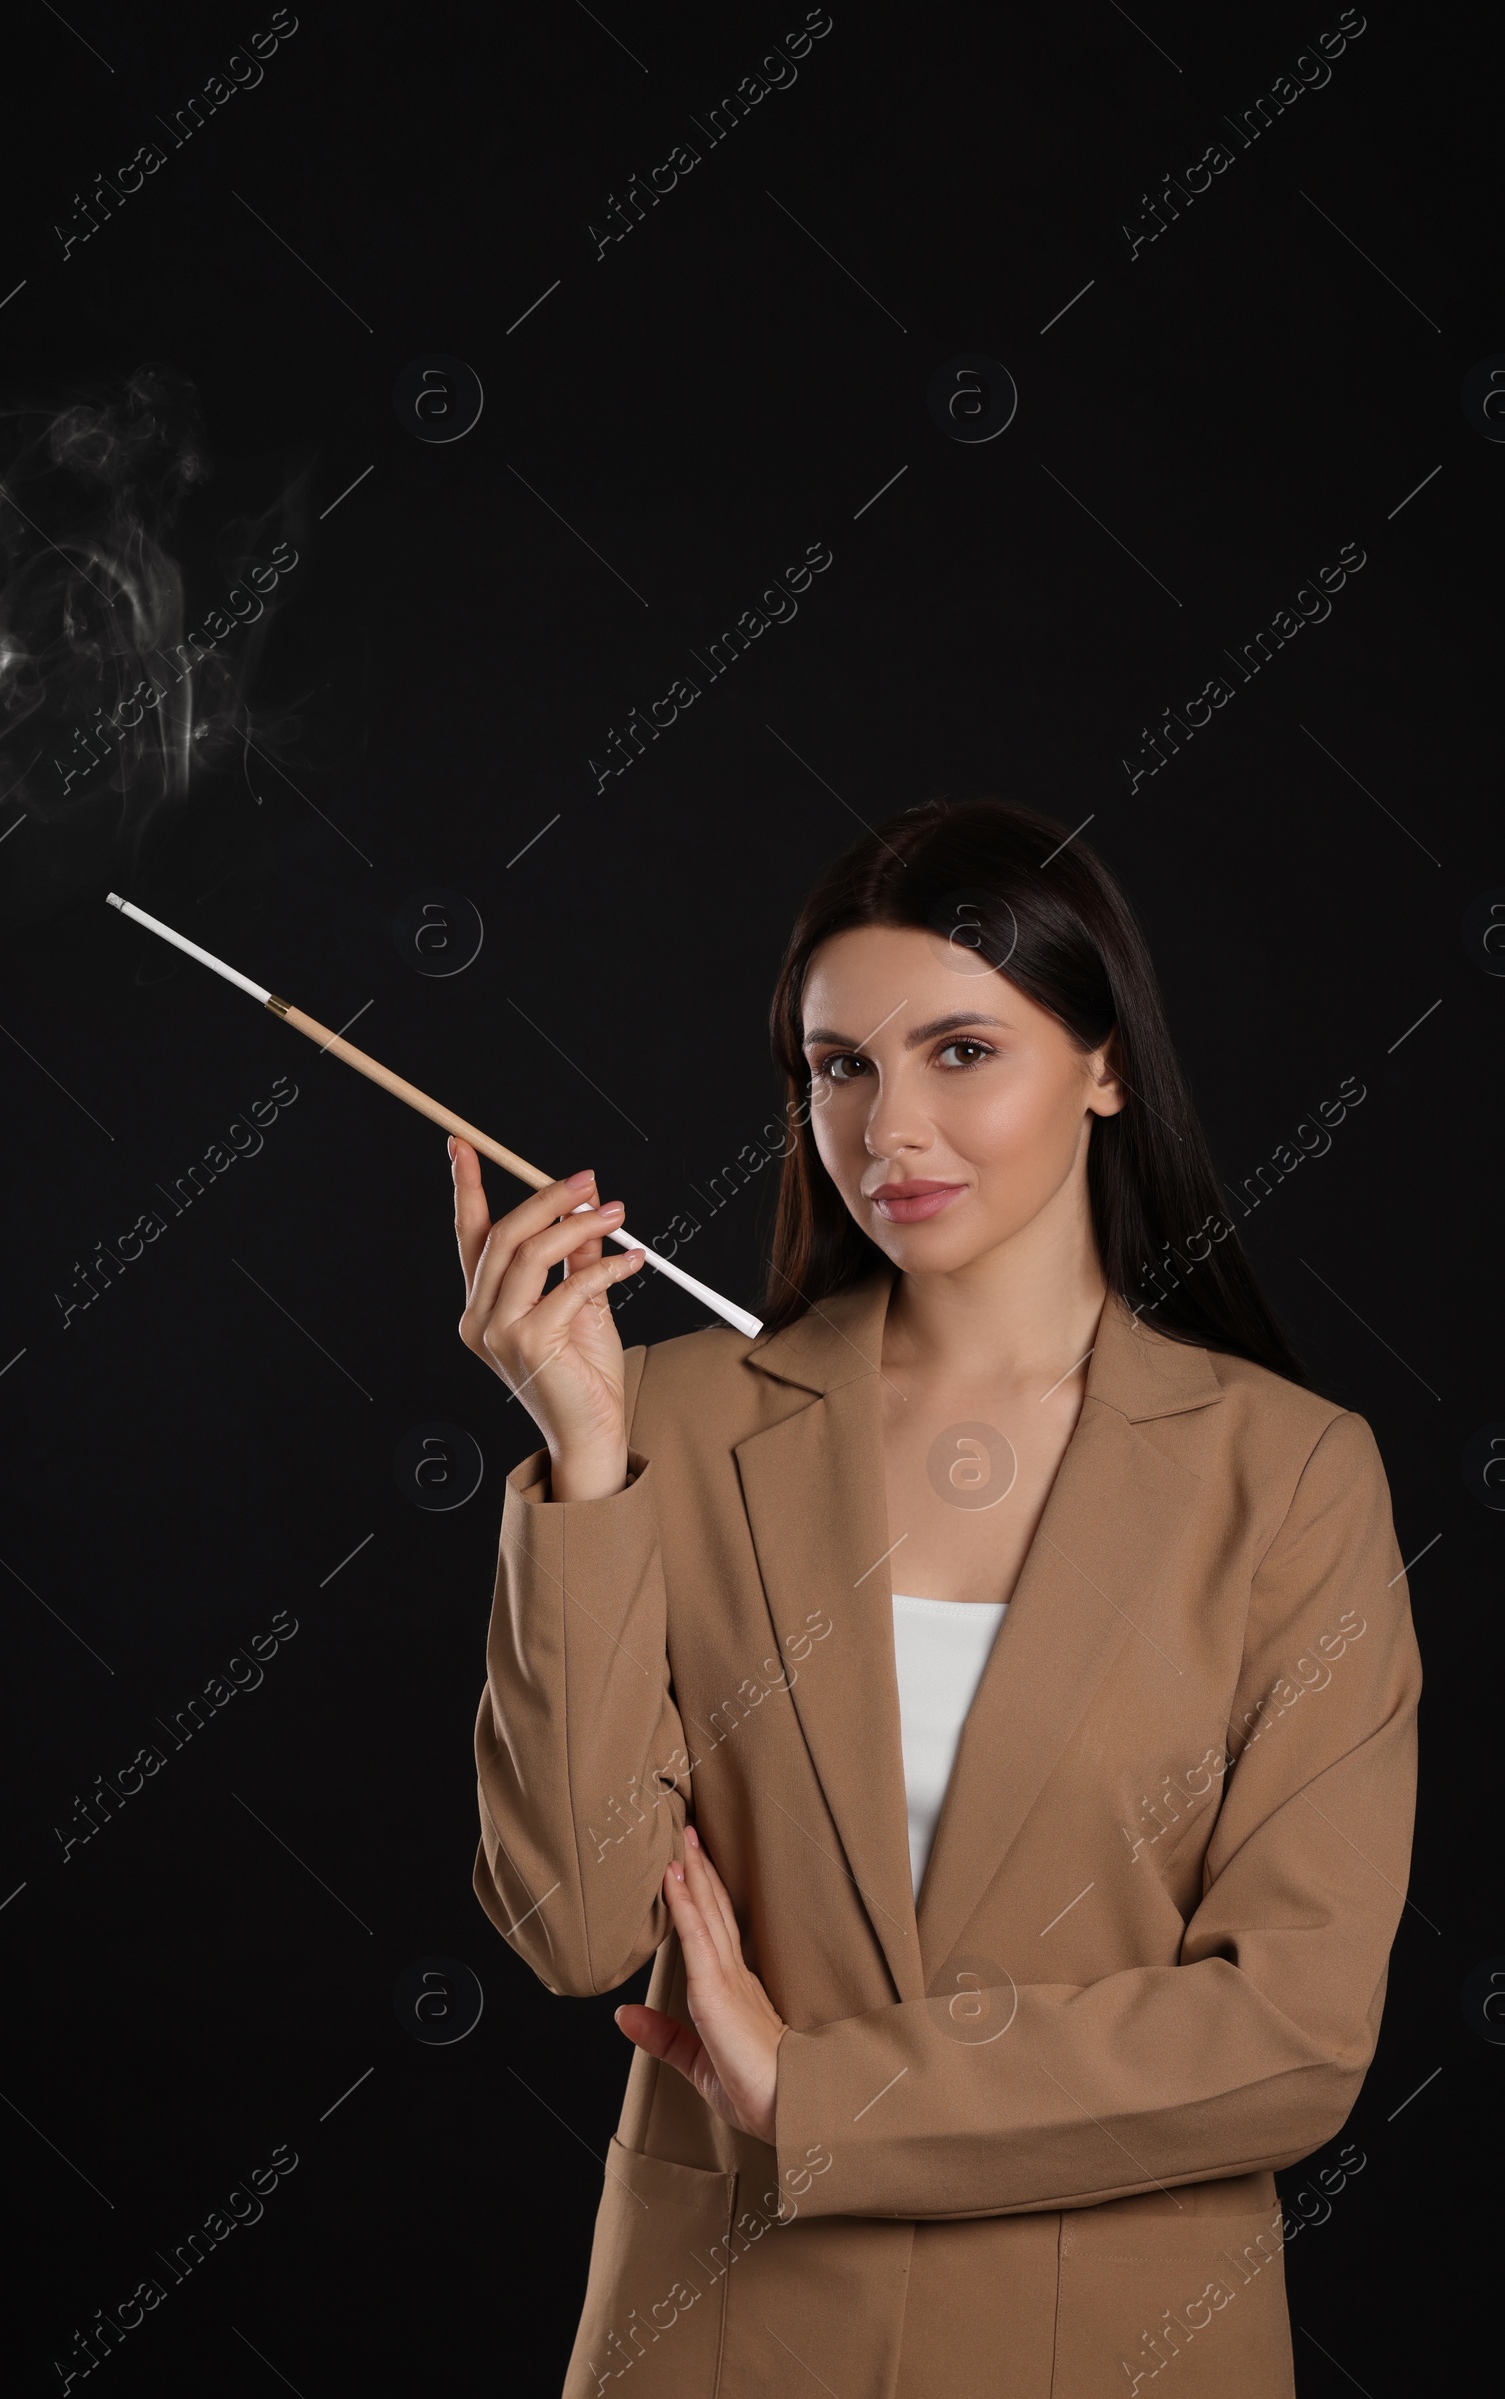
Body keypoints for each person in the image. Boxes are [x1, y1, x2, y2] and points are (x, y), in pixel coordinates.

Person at [455, 798, 1420, 2399]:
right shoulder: (667, 1424)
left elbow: (1292, 2040)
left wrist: (815, 2092)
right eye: (843, 1067)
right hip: (722, 2334)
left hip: (1116, 2341)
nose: (889, 1130)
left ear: (1105, 1065)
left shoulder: (1291, 1477)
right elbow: (571, 1929)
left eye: (961, 1051)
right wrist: (583, 1468)